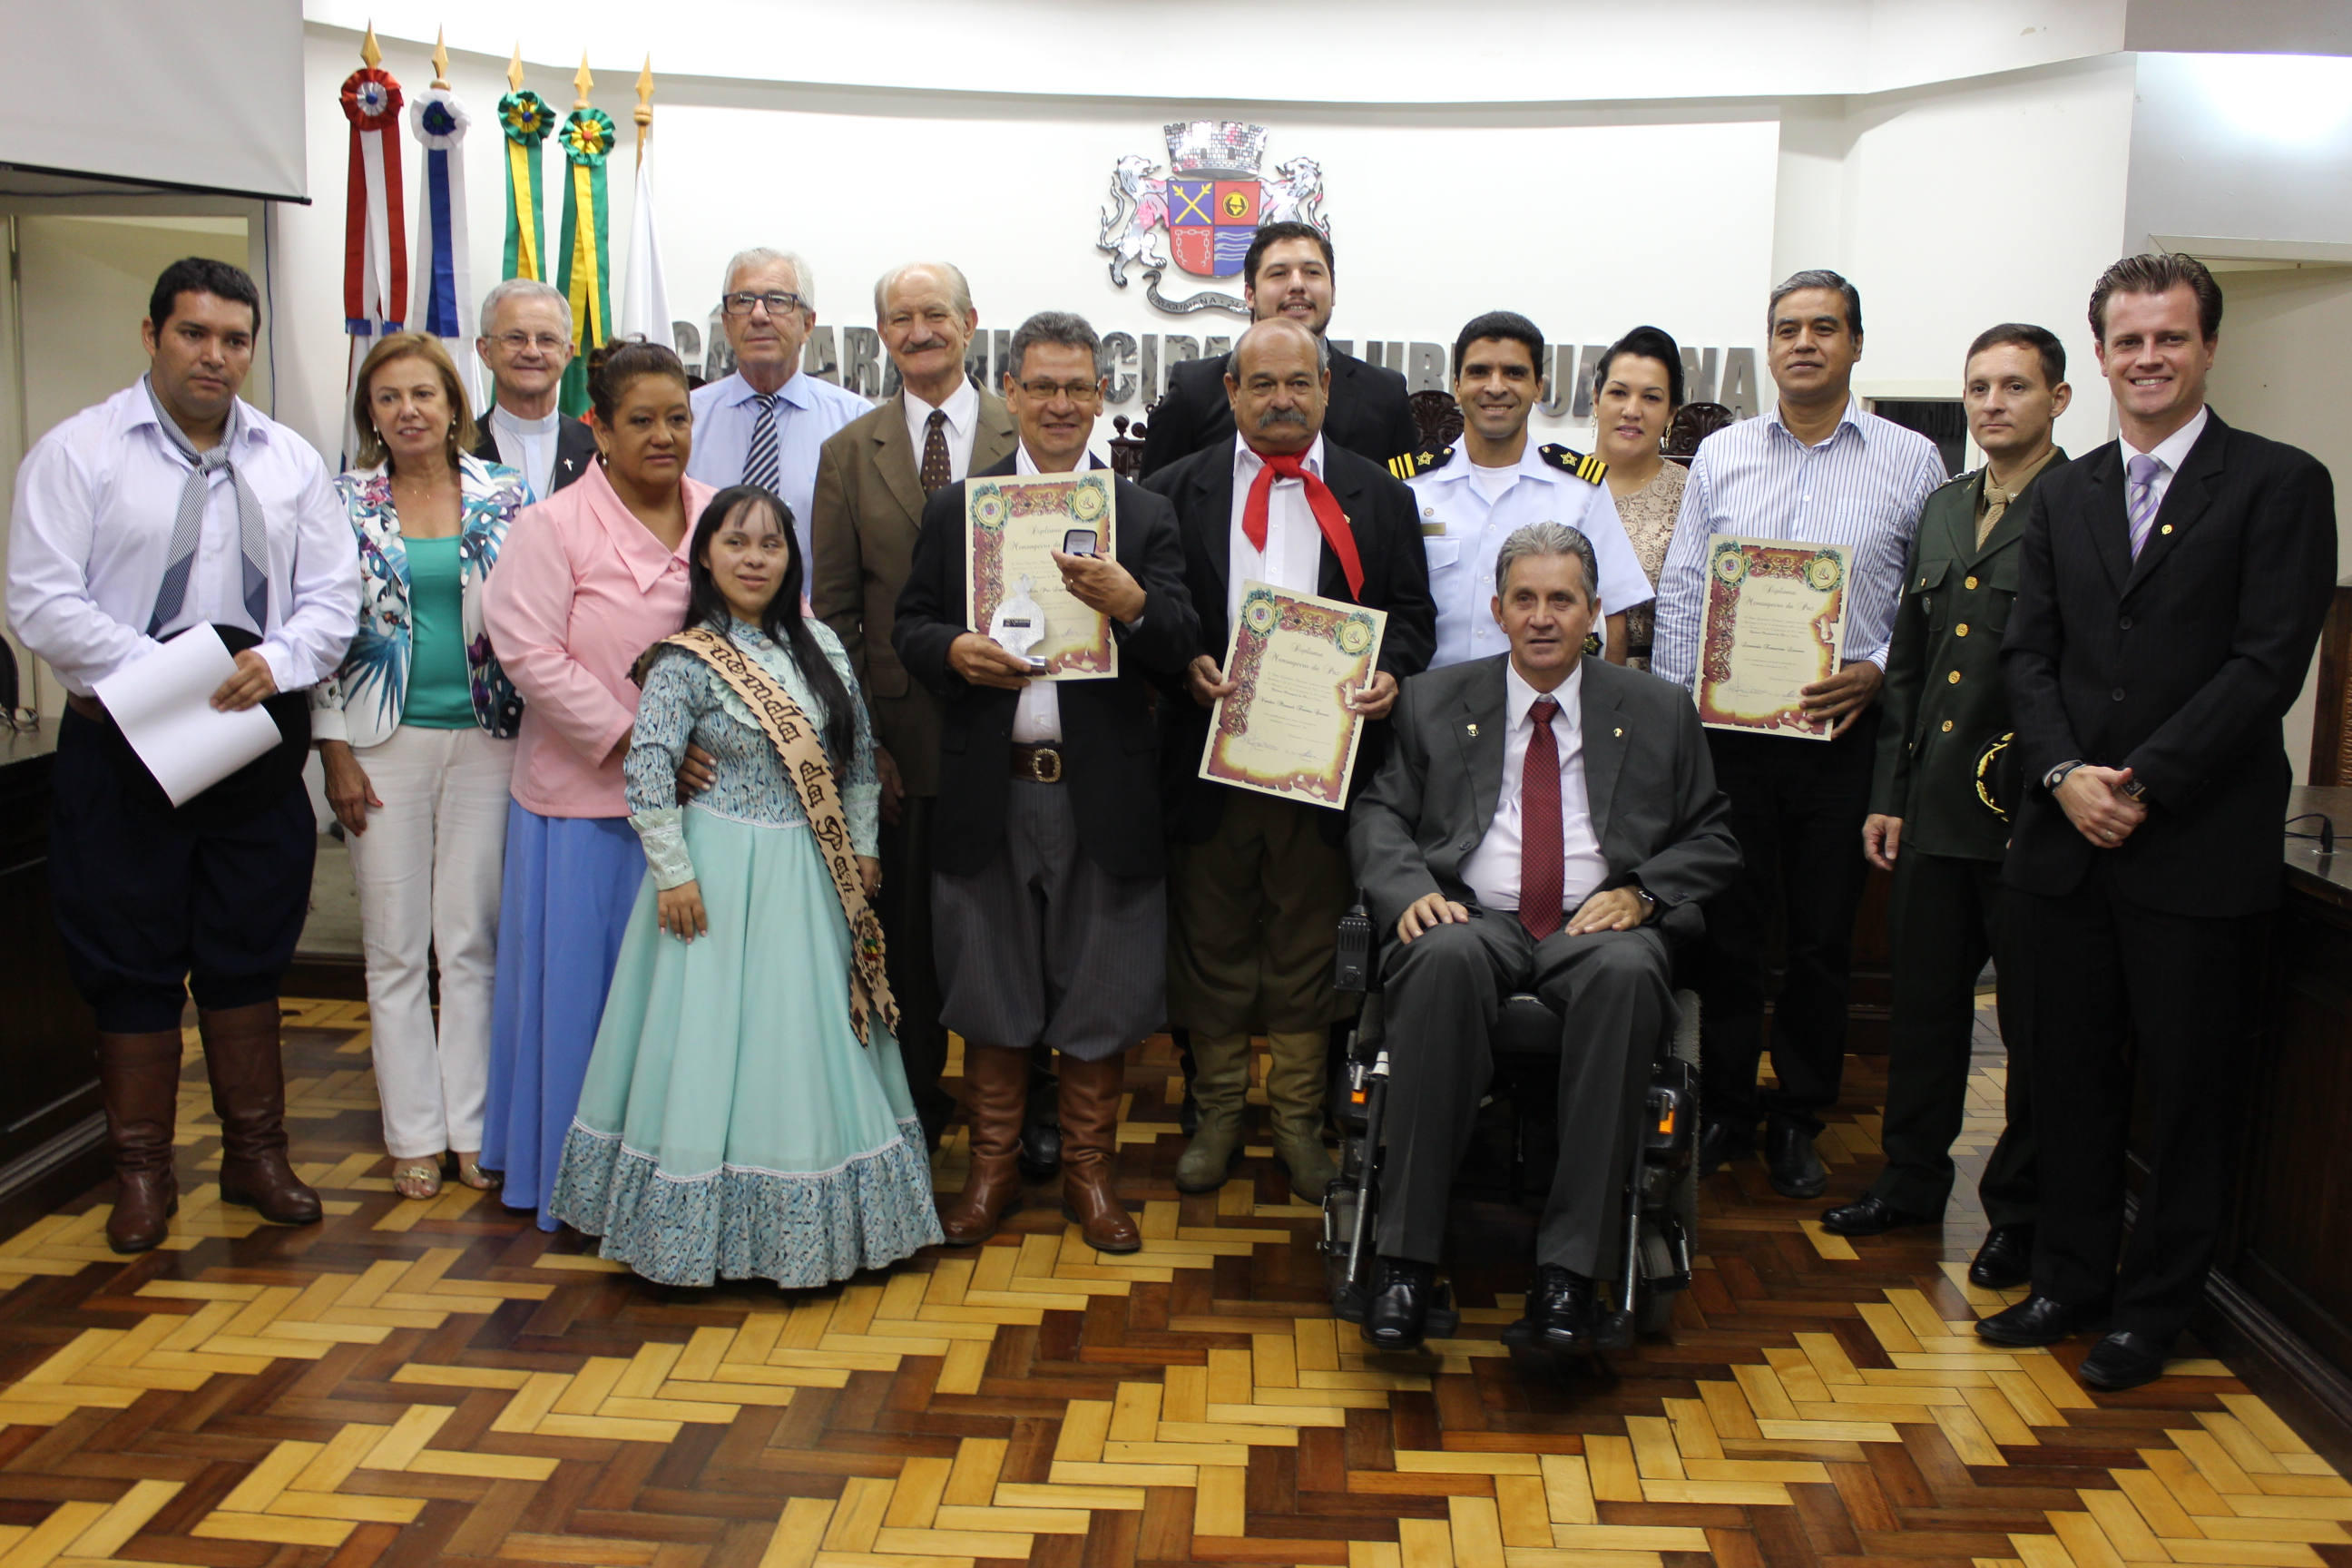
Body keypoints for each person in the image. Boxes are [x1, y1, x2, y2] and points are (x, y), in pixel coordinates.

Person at [1979, 255, 2336, 1390]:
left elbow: (2267, 663)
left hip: (2193, 848)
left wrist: (2140, 780)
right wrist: (2065, 776)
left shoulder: (2280, 483)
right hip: (2063, 847)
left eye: (2169, 339)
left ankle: (2155, 1309)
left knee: (2187, 1095)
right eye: (2128, 341)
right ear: (2100, 355)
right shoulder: (2066, 494)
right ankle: (2070, 1279)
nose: (2148, 359)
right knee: (2066, 1079)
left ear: (2209, 348)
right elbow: (2026, 657)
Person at [6, 257, 357, 1252]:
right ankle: (144, 1179)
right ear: (153, 334)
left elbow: (332, 600)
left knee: (248, 950)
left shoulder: (288, 460)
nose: (216, 355)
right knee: (132, 960)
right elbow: (39, 596)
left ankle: (255, 1157)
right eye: (194, 334)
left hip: (253, 732)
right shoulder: (81, 454)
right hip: (123, 737)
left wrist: (274, 659)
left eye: (234, 339)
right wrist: (168, 673)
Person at [1348, 524, 1739, 1350]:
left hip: (1598, 923)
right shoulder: (1433, 699)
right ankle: (1404, 1264)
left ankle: (1568, 1275)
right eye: (1524, 598)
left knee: (1632, 974)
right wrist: (1410, 890)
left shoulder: (1659, 709)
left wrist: (1644, 893)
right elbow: (1381, 810)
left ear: (1594, 611)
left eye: (1562, 599)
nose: (1542, 616)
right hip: (1472, 915)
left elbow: (1712, 837)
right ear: (1496, 610)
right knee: (1440, 956)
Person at [546, 486, 942, 1285]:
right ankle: (697, 1236)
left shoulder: (823, 646)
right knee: (706, 1045)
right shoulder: (686, 656)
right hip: (716, 875)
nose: (754, 558)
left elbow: (859, 757)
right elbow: (649, 767)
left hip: (811, 874)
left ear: (790, 558)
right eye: (736, 543)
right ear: (705, 557)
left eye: (770, 545)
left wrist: (862, 850)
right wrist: (673, 873)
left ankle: (813, 1227)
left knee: (804, 1042)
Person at [895, 311, 1199, 1252]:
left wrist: (1134, 605)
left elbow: (1185, 644)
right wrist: (954, 649)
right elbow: (908, 626)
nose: (1061, 404)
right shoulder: (961, 511)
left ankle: (1088, 1178)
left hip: (1101, 795)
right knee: (988, 983)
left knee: (1102, 989)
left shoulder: (1140, 514)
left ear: (1101, 398)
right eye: (1043, 386)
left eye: (1079, 388)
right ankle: (988, 1174)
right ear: (1013, 392)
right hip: (993, 788)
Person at [1651, 270, 1945, 1200]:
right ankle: (1730, 1106)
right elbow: (1688, 592)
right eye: (1788, 329)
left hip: (1841, 737)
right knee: (1730, 930)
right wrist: (1676, 726)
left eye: (1825, 328)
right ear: (1769, 346)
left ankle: (1800, 1114)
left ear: (1856, 345)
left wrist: (1880, 664)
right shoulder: (1724, 455)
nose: (1805, 343)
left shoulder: (1911, 461)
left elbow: (1930, 609)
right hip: (1729, 738)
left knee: (1821, 939)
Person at [1143, 316, 1436, 1203]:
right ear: (1230, 392)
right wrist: (1181, 659)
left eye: (1297, 383)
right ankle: (1222, 1112)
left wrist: (1389, 675)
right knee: (1212, 947)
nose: (1281, 399)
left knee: (1311, 953)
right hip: (1205, 771)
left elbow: (1416, 622)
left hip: (1325, 775)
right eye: (1261, 384)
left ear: (1325, 390)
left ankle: (1300, 1122)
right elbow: (1151, 620)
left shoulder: (1377, 497)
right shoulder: (1170, 492)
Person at [1822, 324, 2068, 1283]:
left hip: (2027, 814)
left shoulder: (2078, 505)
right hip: (1930, 809)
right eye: (1979, 387)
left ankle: (2016, 1211)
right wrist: (1889, 794)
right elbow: (1915, 666)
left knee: (2031, 1027)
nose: (1993, 403)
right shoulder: (1943, 507)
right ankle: (1909, 1179)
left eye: (2015, 386)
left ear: (2057, 399)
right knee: (1926, 1014)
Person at [482, 338, 717, 1228]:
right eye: (642, 420)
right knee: (589, 1006)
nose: (664, 436)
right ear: (599, 429)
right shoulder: (551, 527)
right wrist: (638, 743)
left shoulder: (721, 514)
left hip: (704, 805)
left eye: (679, 418)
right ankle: (578, 1189)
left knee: (678, 1011)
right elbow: (528, 654)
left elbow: (775, 621)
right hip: (586, 808)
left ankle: (673, 1191)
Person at [313, 332, 527, 1200]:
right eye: (389, 397)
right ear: (372, 412)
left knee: (470, 941)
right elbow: (321, 629)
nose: (408, 411)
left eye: (424, 396)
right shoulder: (340, 503)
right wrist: (331, 750)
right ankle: (412, 1133)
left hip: (490, 740)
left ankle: (471, 1131)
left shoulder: (507, 494)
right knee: (395, 948)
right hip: (379, 745)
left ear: (454, 407)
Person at [810, 261, 1018, 1150]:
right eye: (902, 317)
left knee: (1011, 933)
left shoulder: (1033, 436)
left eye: (937, 313)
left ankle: (1021, 1115)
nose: (921, 330)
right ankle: (914, 1108)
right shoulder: (849, 454)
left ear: (970, 322)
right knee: (913, 938)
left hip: (1018, 729)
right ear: (881, 334)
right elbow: (838, 616)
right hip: (907, 740)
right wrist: (867, 747)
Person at [1396, 311, 1651, 668]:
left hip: (1540, 712)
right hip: (1426, 709)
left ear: (1538, 387)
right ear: (1456, 385)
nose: (1496, 386)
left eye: (1514, 373)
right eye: (1479, 371)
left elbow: (1613, 612)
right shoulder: (1408, 488)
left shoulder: (1581, 491)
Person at [1137, 221, 1416, 477]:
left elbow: (1405, 503)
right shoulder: (1194, 390)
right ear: (1250, 294)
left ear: (1333, 291)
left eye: (1312, 272)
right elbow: (1156, 504)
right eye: (1279, 273)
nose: (1297, 285)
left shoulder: (1385, 394)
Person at [686, 248, 869, 568]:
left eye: (778, 300)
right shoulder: (686, 419)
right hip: (704, 614)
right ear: (727, 325)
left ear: (808, 324)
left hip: (816, 615)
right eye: (743, 301)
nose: (759, 315)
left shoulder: (855, 422)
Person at [1591, 328, 1690, 671]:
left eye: (1651, 398)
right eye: (1619, 393)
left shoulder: (1693, 494)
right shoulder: (1558, 483)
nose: (1632, 410)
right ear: (1595, 398)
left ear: (1671, 411)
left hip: (1656, 689)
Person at [473, 279, 595, 501]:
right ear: (486, 351)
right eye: (515, 338)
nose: (532, 352)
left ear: (567, 354)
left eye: (547, 340)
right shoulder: (454, 451)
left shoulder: (601, 450)